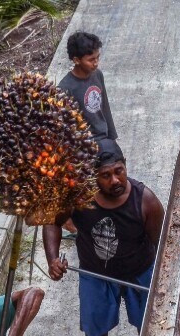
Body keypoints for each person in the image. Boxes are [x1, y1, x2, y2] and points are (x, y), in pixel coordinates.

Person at [43, 142, 164, 336]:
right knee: (94, 325)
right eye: (105, 175)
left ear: (125, 165)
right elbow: (52, 222)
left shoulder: (146, 201)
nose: (115, 180)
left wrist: (160, 279)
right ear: (92, 177)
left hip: (139, 272)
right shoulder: (78, 198)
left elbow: (164, 245)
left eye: (119, 171)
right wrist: (52, 258)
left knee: (149, 325)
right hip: (95, 274)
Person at [58, 31, 118, 240]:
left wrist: (112, 138)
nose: (96, 63)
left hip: (104, 140)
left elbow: (104, 107)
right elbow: (66, 129)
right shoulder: (65, 89)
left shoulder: (97, 75)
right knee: (87, 192)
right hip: (84, 150)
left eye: (97, 57)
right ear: (76, 60)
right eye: (91, 59)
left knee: (109, 185)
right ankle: (81, 229)